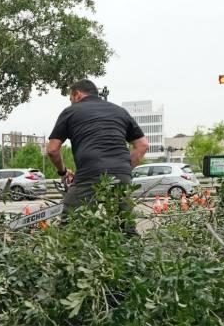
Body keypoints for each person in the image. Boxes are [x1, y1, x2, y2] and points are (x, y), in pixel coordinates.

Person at [46, 79, 149, 232]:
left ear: (77, 94)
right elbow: (143, 145)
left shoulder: (71, 111)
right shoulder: (119, 111)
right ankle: (132, 251)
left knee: (71, 226)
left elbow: (52, 150)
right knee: (124, 226)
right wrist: (124, 168)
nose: (71, 103)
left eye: (71, 99)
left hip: (90, 173)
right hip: (121, 174)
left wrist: (62, 171)